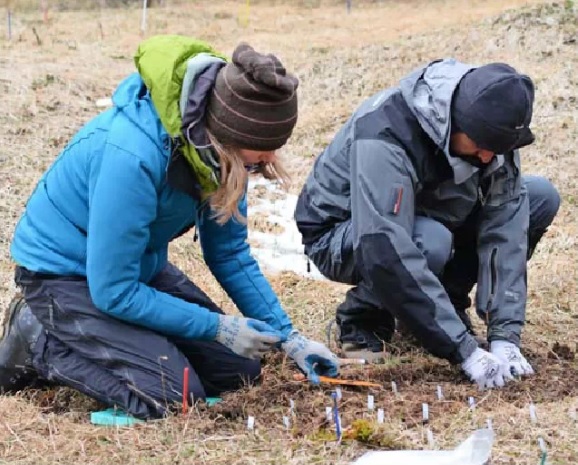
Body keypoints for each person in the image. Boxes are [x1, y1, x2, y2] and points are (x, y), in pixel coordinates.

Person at [0, 35, 339, 418]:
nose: (268, 160)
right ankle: (39, 339)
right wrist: (216, 326)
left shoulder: (222, 156)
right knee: (172, 395)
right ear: (228, 135)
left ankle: (129, 340)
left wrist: (290, 338)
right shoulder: (132, 157)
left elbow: (229, 254)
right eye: (260, 155)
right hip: (62, 276)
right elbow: (113, 291)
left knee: (239, 371)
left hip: (132, 266)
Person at [295, 58, 560, 389]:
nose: (488, 157)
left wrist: (505, 336)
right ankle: (363, 318)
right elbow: (384, 245)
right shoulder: (385, 132)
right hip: (342, 233)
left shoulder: (493, 131)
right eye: (480, 146)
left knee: (537, 198)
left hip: (426, 213)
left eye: (497, 150)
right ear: (457, 123)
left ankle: (440, 304)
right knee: (428, 239)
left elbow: (506, 228)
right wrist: (464, 350)